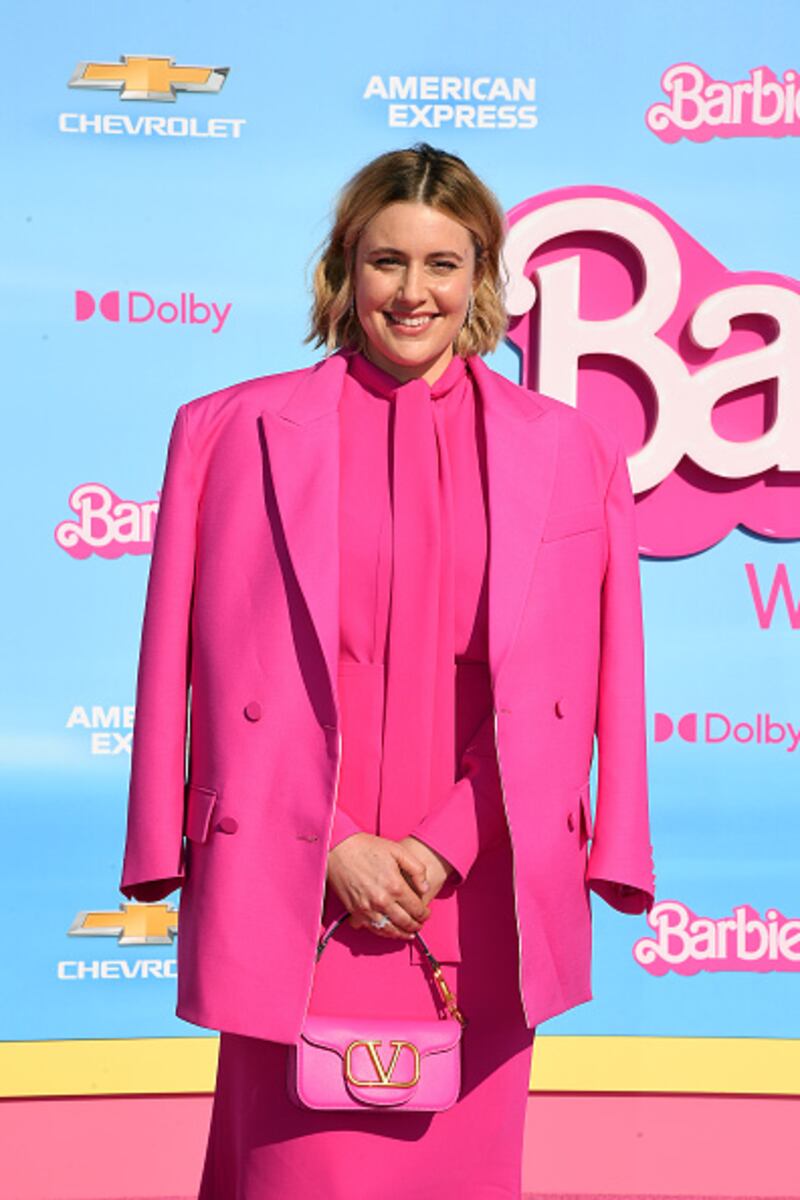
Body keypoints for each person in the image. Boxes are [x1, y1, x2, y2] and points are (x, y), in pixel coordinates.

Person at [119, 142, 655, 1199]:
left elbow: (595, 679)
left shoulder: (571, 450)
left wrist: (446, 843)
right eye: (386, 261)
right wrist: (330, 842)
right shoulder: (225, 433)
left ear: (482, 275)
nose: (414, 292)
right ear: (343, 270)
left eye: (442, 263)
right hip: (290, 879)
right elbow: (178, 665)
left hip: (483, 887)